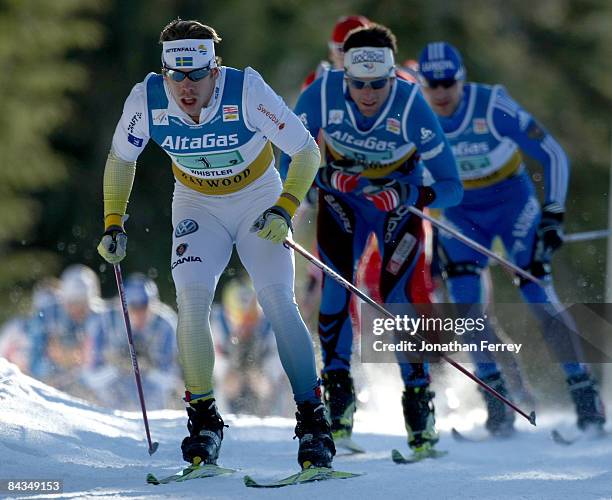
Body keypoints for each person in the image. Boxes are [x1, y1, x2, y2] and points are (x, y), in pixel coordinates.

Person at [96, 18, 334, 469]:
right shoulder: (146, 99)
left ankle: (313, 420)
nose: (185, 87)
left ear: (214, 69)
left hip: (258, 199)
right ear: (164, 72)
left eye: (196, 75)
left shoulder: (247, 91)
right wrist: (112, 222)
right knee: (191, 302)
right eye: (175, 75)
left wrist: (284, 208)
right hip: (195, 204)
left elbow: (306, 152)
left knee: (279, 302)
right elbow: (120, 159)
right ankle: (203, 419)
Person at [282, 24, 462, 454]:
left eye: (377, 84)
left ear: (392, 76)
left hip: (394, 206)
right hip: (343, 200)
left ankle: (419, 406)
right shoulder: (321, 93)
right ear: (343, 74)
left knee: (397, 297)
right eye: (358, 84)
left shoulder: (412, 103)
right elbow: (287, 154)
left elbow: (452, 185)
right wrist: (320, 177)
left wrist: (409, 193)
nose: (367, 94)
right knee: (336, 292)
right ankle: (338, 400)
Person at [417, 41, 606, 434]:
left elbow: (552, 152)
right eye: (431, 84)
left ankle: (584, 394)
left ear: (461, 79)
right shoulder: (416, 114)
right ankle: (497, 402)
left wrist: (554, 213)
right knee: (466, 302)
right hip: (460, 212)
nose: (440, 92)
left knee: (536, 292)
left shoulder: (491, 106)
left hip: (512, 205)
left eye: (447, 82)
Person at [87, 273, 180, 410]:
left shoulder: (166, 324)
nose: (139, 314)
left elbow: (170, 378)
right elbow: (91, 376)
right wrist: (117, 366)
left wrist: (148, 368)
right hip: (109, 405)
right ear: (121, 306)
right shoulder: (104, 321)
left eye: (144, 307)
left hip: (153, 406)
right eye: (133, 308)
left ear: (154, 305)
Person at [29, 265, 105, 397]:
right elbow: (33, 361)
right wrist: (54, 362)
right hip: (47, 385)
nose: (76, 309)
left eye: (82, 303)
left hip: (85, 387)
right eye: (72, 302)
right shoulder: (47, 316)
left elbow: (100, 365)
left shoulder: (100, 319)